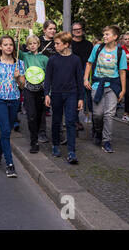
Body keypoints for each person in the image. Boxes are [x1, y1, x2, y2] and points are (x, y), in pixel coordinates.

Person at [84, 25, 127, 153]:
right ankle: (98, 132)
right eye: (104, 34)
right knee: (97, 114)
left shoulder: (120, 52)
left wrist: (123, 90)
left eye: (107, 34)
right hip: (97, 85)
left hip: (113, 86)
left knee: (109, 115)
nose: (104, 36)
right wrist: (85, 79)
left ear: (115, 37)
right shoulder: (98, 48)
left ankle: (106, 140)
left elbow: (122, 72)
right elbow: (89, 63)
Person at [0, 35, 25, 178]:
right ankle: (10, 164)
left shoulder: (19, 63)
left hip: (14, 100)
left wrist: (17, 78)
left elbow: (23, 85)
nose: (9, 47)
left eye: (11, 45)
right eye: (5, 44)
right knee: (6, 131)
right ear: (1, 47)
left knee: (6, 131)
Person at [44, 32, 84, 164]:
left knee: (71, 121)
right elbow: (48, 78)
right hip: (56, 93)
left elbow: (80, 80)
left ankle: (72, 151)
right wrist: (46, 94)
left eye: (57, 43)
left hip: (71, 94)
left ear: (66, 44)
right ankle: (55, 145)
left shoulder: (75, 60)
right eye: (54, 43)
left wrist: (81, 98)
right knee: (56, 121)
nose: (55, 46)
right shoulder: (52, 60)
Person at [19, 35, 48, 154]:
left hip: (41, 90)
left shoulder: (45, 58)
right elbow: (16, 50)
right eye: (30, 44)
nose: (32, 45)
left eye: (34, 43)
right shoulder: (25, 56)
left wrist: (48, 91)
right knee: (31, 116)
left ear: (38, 44)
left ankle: (39, 133)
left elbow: (49, 74)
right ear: (27, 46)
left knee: (40, 115)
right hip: (28, 89)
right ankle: (34, 142)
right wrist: (16, 37)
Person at [37, 20, 58, 143]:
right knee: (42, 108)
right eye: (50, 29)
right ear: (44, 30)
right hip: (40, 78)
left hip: (55, 78)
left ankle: (58, 133)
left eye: (54, 29)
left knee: (57, 107)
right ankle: (41, 132)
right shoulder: (38, 41)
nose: (53, 31)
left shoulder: (57, 42)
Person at [71, 22, 94, 130]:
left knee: (89, 97)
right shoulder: (69, 44)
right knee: (74, 97)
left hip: (87, 73)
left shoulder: (89, 44)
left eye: (79, 29)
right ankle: (76, 121)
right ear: (72, 31)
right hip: (73, 73)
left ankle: (94, 122)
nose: (78, 31)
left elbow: (91, 61)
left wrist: (87, 77)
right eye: (75, 29)